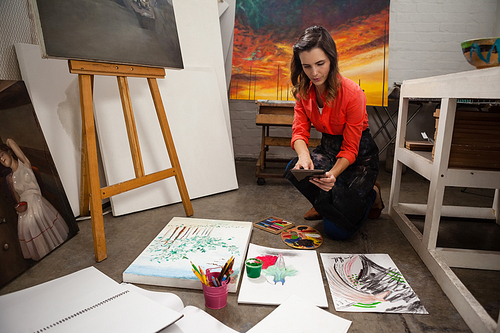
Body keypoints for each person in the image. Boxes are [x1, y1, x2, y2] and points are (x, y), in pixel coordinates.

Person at [284, 26, 384, 240]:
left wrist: (333, 175)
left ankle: (373, 195)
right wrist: (304, 156)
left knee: (337, 232)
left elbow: (350, 148)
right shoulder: (304, 91)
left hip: (358, 157)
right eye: (307, 66)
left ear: (331, 59)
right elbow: (299, 131)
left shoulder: (353, 93)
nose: (314, 73)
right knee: (295, 168)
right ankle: (324, 204)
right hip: (329, 149)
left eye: (320, 64)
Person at [0, 139, 69, 261]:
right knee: (28, 225)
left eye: (2, 155)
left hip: (36, 200)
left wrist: (8, 142)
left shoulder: (24, 163)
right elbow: (18, 199)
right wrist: (19, 209)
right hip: (26, 207)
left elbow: (12, 144)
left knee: (37, 217)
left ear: (9, 152)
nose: (2, 159)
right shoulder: (10, 179)